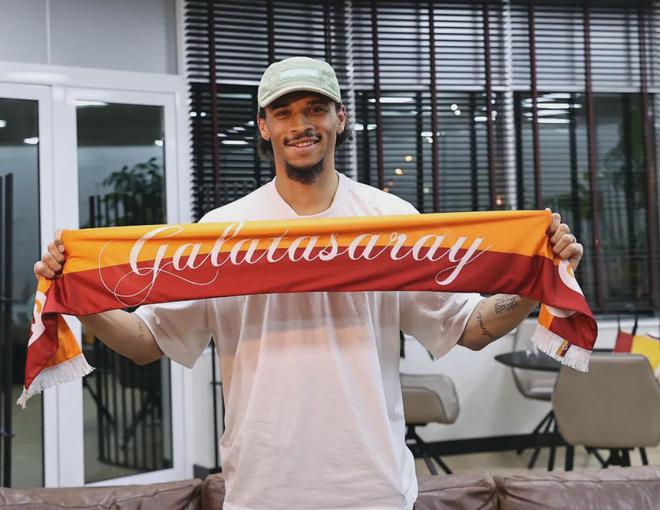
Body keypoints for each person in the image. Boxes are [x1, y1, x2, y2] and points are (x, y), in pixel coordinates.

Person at [34, 57, 583, 510]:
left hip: (375, 489)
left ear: (340, 118)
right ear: (264, 126)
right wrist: (76, 295)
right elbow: (146, 342)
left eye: (315, 108)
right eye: (284, 112)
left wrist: (536, 279)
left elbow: (471, 328)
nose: (301, 124)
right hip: (262, 491)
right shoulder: (221, 233)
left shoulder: (390, 224)